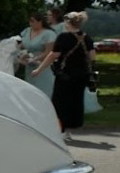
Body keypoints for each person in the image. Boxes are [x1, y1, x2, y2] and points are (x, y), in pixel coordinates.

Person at [31, 11, 95, 139]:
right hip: (81, 75)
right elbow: (92, 56)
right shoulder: (86, 37)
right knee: (75, 102)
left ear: (67, 23)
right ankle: (69, 130)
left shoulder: (63, 37)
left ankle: (60, 129)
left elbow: (53, 55)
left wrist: (39, 69)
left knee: (60, 102)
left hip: (65, 74)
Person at [20, 12, 56, 99]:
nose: (30, 24)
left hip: (42, 65)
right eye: (29, 21)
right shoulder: (27, 31)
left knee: (43, 88)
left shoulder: (48, 34)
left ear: (40, 22)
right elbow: (22, 46)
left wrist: (35, 59)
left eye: (32, 21)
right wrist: (24, 55)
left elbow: (49, 52)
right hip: (29, 65)